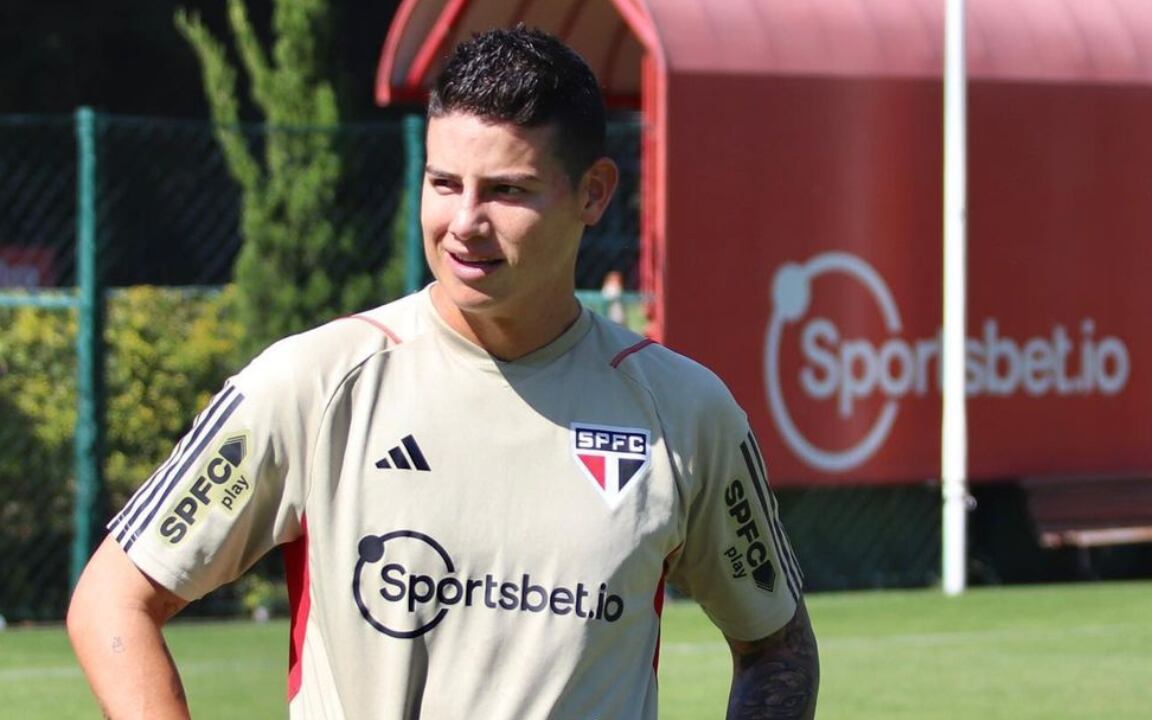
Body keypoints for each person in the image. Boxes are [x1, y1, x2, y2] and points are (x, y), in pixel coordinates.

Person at [68, 25, 818, 719]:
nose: (463, 223)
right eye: (444, 183)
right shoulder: (315, 384)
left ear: (593, 193)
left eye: (506, 191)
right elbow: (113, 601)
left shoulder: (682, 411)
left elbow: (776, 646)